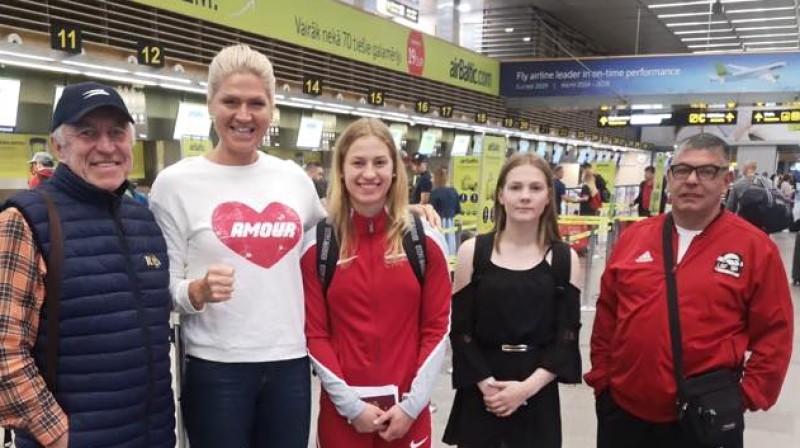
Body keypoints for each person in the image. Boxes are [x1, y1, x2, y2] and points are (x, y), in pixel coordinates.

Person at [149, 44, 326, 448]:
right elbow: (164, 287)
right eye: (231, 101)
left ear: (272, 110)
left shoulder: (293, 179)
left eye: (256, 103)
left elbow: (327, 246)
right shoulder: (176, 184)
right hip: (216, 366)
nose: (244, 115)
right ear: (210, 103)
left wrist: (404, 213)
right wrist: (196, 292)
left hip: (290, 363)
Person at [585, 133, 794, 448]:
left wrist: (745, 397)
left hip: (703, 418)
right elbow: (607, 315)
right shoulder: (635, 238)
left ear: (727, 180)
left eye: (706, 171)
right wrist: (603, 379)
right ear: (669, 178)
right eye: (682, 170)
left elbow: (776, 333)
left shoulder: (754, 248)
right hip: (624, 412)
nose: (692, 180)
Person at [0, 82, 175, 447]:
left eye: (116, 132)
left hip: (151, 436)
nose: (106, 146)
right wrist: (61, 436)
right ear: (58, 146)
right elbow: (4, 350)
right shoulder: (26, 220)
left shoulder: (143, 220)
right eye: (87, 133)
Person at [300, 118, 451, 448]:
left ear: (395, 170)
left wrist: (411, 407)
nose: (369, 173)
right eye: (358, 162)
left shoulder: (425, 241)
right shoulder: (318, 246)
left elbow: (437, 329)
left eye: (380, 162)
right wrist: (351, 406)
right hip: (343, 416)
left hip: (408, 415)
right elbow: (315, 334)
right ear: (341, 169)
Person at [444, 153, 582, 448]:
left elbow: (567, 336)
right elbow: (461, 329)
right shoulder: (473, 252)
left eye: (535, 188)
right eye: (515, 187)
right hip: (483, 385)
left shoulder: (563, 259)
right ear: (501, 195)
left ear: (548, 197)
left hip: (537, 386)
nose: (524, 197)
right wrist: (487, 385)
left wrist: (525, 390)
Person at [430, 166, 461, 256]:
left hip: (438, 223)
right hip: (451, 223)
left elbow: (431, 209)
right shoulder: (453, 191)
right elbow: (458, 209)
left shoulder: (435, 192)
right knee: (451, 245)